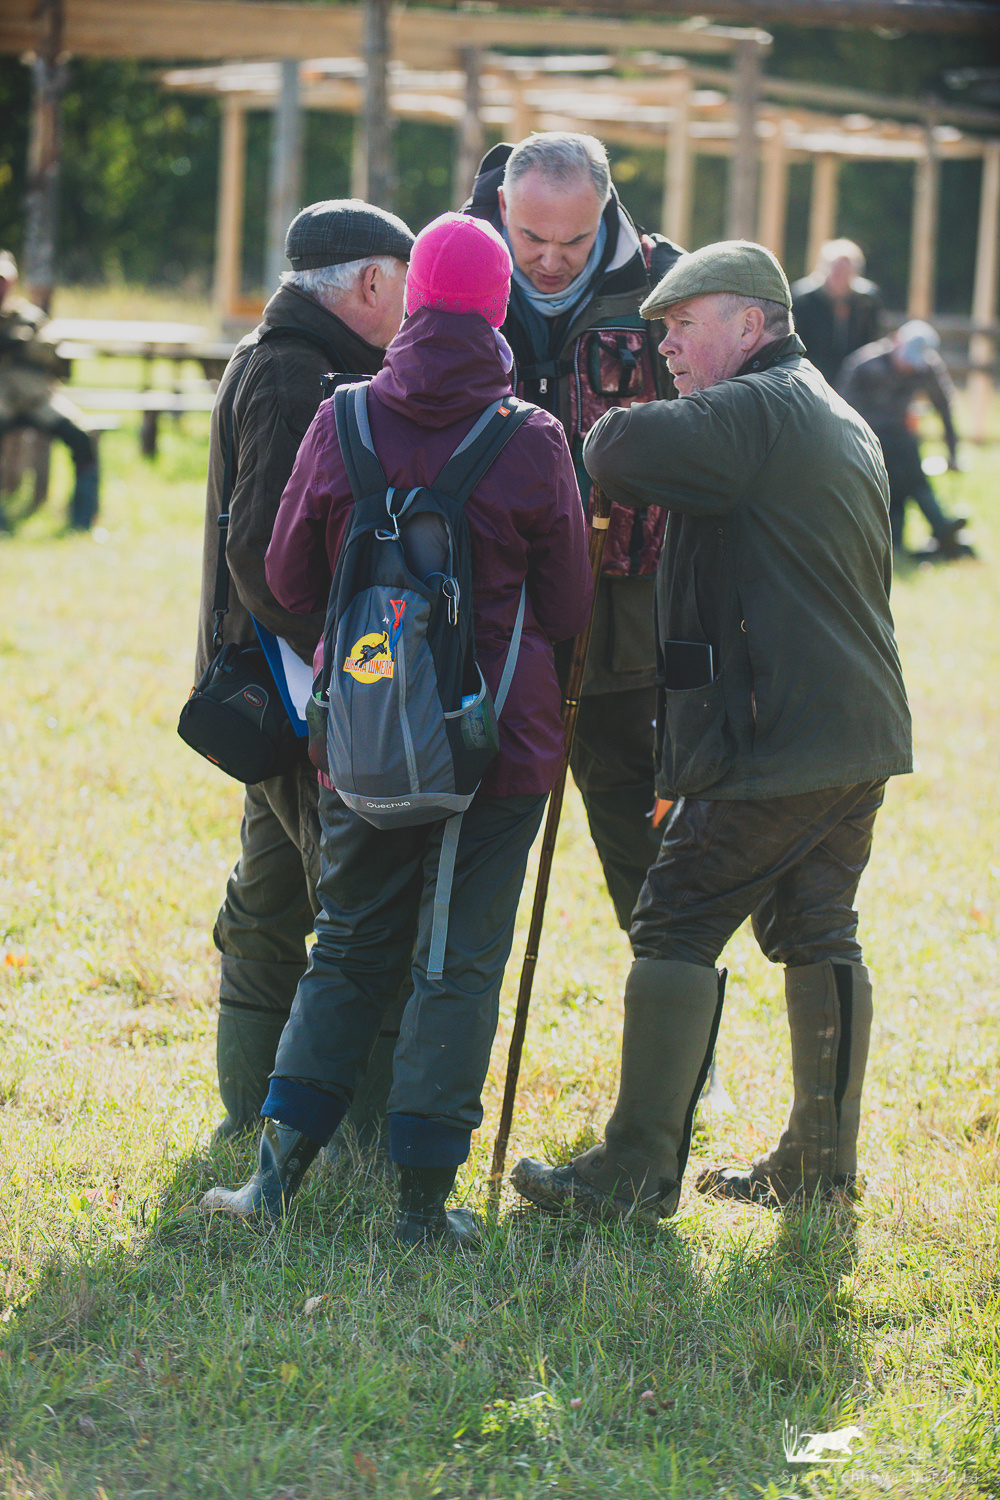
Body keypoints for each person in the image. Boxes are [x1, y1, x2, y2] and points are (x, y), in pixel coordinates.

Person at [198, 212, 593, 1246]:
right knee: (457, 964)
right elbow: (570, 607)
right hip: (499, 748)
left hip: (362, 735)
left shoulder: (341, 421)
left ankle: (272, 1183)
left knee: (345, 950)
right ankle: (422, 1207)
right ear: (501, 309)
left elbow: (284, 578)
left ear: (412, 298)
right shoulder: (532, 437)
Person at [511, 240, 913, 1225]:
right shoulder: (823, 407)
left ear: (751, 322)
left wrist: (610, 418)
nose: (666, 348)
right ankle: (818, 1167)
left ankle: (632, 1170)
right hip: (849, 728)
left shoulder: (755, 408)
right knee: (817, 929)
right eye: (659, 331)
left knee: (674, 917)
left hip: (774, 734)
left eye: (683, 327)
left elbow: (617, 451)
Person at [194, 199, 414, 1148]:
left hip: (279, 687)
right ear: (371, 281)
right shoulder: (296, 371)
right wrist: (346, 660)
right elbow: (259, 551)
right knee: (353, 907)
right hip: (297, 688)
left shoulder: (279, 351)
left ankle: (251, 1115)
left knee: (272, 897)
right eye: (403, 286)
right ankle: (357, 1135)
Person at [465, 132, 683, 932]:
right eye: (531, 237)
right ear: (501, 210)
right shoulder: (444, 275)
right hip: (484, 613)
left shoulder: (668, 283)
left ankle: (677, 1026)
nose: (550, 261)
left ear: (608, 213)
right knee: (471, 818)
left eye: (574, 240)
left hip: (627, 621)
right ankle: (438, 1036)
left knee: (639, 823)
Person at [839, 319, 970, 559]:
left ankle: (909, 541)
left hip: (901, 440)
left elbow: (944, 407)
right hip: (866, 440)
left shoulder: (926, 367)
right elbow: (838, 408)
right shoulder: (865, 364)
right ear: (897, 340)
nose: (908, 367)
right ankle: (941, 528)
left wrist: (953, 453)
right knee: (902, 478)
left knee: (904, 472)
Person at [0, 248, 99, 530]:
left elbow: (54, 353)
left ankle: (83, 520)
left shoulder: (28, 316)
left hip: (37, 399)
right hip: (3, 400)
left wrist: (20, 342)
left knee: (84, 435)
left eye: (3, 281)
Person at [791, 238, 881, 388]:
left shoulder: (867, 301)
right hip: (812, 374)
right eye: (835, 271)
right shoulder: (804, 300)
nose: (839, 277)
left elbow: (870, 342)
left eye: (845, 271)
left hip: (854, 378)